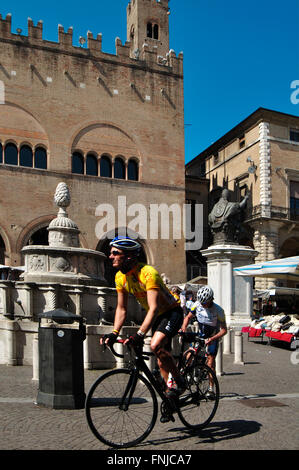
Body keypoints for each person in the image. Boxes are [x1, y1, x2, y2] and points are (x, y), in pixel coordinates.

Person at [100, 236, 186, 404]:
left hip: (171, 312)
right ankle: (169, 399)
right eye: (111, 253)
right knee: (161, 359)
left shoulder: (148, 273)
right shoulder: (120, 277)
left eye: (115, 253)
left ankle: (180, 381)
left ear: (129, 256)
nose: (110, 256)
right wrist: (114, 332)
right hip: (157, 317)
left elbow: (153, 308)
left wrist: (139, 334)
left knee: (154, 345)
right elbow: (121, 309)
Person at [181, 285, 227, 398]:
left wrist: (212, 339)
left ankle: (211, 389)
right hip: (201, 335)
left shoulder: (219, 311)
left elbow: (224, 330)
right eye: (201, 302)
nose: (203, 305)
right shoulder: (197, 305)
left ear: (211, 300)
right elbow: (187, 318)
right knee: (189, 355)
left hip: (212, 337)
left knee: (210, 364)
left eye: (205, 303)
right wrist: (183, 328)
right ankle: (188, 376)